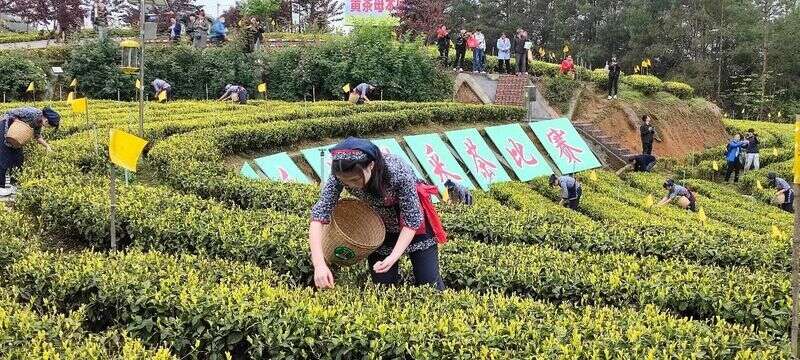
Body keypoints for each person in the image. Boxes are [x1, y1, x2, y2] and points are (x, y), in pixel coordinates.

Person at [309, 137, 448, 290]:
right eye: (345, 181)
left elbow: (411, 220)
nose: (350, 184)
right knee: (383, 287)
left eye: (355, 179)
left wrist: (393, 257)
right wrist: (319, 264)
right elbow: (319, 215)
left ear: (371, 166)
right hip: (379, 228)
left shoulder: (397, 172)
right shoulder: (339, 175)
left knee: (429, 283)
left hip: (414, 226)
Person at [0, 107, 60, 196]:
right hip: (5, 126)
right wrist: (19, 123)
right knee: (4, 157)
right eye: (50, 125)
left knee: (18, 159)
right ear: (47, 120)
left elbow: (37, 136)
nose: (48, 127)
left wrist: (47, 146)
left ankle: (14, 184)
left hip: (18, 135)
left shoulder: (39, 124)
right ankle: (1, 187)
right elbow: (10, 113)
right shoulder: (32, 113)